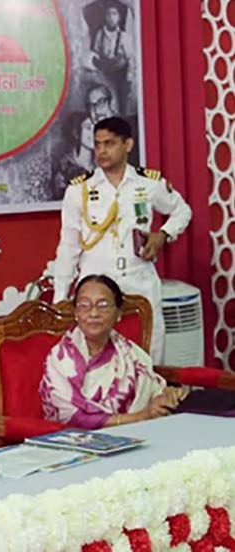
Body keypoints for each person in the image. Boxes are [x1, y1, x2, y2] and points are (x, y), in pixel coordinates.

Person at [52, 116, 192, 362]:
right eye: (97, 144)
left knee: (148, 359)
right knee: (95, 360)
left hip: (139, 283)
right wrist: (60, 297)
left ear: (128, 145)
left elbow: (182, 211)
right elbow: (68, 246)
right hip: (96, 288)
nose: (102, 151)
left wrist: (163, 235)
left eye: (109, 143)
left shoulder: (148, 183)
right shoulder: (79, 190)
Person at [40, 275, 187, 428]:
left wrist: (167, 397)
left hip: (137, 436)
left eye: (103, 305)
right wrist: (140, 417)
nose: (94, 314)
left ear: (118, 313)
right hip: (75, 442)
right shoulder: (60, 358)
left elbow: (154, 392)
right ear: (76, 312)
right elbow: (70, 417)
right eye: (84, 305)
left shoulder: (131, 354)